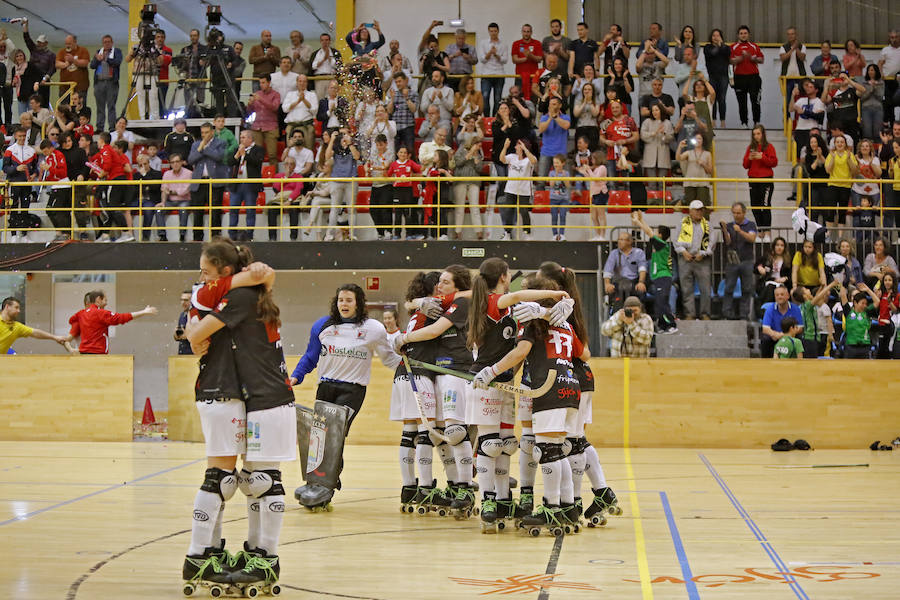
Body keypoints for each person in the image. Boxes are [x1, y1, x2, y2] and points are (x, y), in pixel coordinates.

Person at [182, 241, 293, 592]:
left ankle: (260, 557)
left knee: (257, 481)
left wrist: (192, 329)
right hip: (251, 395)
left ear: (226, 272)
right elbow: (196, 325)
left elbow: (196, 332)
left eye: (206, 272)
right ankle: (214, 555)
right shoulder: (247, 293)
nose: (201, 279)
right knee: (237, 479)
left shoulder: (240, 298)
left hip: (264, 396)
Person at [465, 257, 568, 529]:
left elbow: (533, 310)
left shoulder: (511, 308)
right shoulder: (493, 301)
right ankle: (487, 499)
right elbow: (521, 294)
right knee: (489, 443)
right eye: (509, 274)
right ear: (502, 277)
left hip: (506, 381)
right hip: (486, 378)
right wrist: (554, 293)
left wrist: (552, 307)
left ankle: (503, 499)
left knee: (507, 443)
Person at [290, 284, 401, 503]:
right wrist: (296, 375)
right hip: (326, 387)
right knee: (318, 437)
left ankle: (326, 484)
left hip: (352, 389)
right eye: (341, 300)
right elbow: (311, 356)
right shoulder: (322, 326)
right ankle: (316, 481)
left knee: (334, 435)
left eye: (349, 300)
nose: (344, 304)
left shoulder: (373, 328)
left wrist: (409, 365)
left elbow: (389, 358)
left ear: (359, 302)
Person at [394, 266, 478, 514]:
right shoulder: (437, 304)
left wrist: (402, 338)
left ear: (457, 285)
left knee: (450, 431)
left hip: (452, 371)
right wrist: (417, 302)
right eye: (438, 282)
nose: (440, 286)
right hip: (429, 372)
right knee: (431, 433)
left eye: (445, 282)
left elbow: (433, 330)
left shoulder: (459, 303)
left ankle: (461, 486)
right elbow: (411, 304)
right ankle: (435, 487)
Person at [67, 289, 156, 354]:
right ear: (98, 299)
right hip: (97, 354)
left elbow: (67, 336)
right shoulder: (100, 313)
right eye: (105, 300)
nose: (106, 303)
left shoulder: (80, 314)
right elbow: (121, 318)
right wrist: (143, 312)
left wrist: (70, 349)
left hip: (82, 353)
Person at [633, 212, 677, 333]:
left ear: (660, 235)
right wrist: (642, 220)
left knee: (662, 302)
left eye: (657, 232)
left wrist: (637, 222)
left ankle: (672, 324)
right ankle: (663, 326)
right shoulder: (660, 245)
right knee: (659, 302)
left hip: (663, 277)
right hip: (659, 278)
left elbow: (648, 232)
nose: (655, 233)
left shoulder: (662, 244)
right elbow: (649, 231)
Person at [188, 122, 229, 242]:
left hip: (214, 182)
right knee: (197, 212)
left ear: (212, 132)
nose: (204, 135)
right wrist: (200, 148)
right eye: (202, 133)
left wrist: (204, 148)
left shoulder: (220, 143)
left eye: (206, 132)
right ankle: (197, 239)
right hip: (199, 182)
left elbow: (219, 157)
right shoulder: (196, 144)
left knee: (215, 212)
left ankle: (216, 239)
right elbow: (191, 160)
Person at [675, 200, 714, 320]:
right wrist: (683, 251)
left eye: (701, 209)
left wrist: (703, 253)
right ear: (690, 211)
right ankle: (689, 313)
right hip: (685, 258)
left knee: (705, 289)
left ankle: (705, 313)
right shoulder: (682, 223)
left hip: (702, 260)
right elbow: (675, 240)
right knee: (686, 289)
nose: (699, 212)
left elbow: (712, 242)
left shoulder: (708, 225)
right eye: (697, 210)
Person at [719, 202, 758, 320]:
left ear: (744, 213)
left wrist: (740, 231)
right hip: (732, 261)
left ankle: (744, 314)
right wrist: (725, 230)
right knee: (729, 287)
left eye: (738, 213)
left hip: (747, 260)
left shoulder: (750, 224)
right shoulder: (730, 225)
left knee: (747, 288)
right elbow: (728, 242)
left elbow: (752, 238)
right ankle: (727, 313)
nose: (736, 215)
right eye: (734, 213)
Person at [323, 131, 360, 241]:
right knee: (334, 208)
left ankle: (352, 234)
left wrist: (350, 144)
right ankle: (330, 234)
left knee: (351, 209)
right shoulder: (335, 146)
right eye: (342, 135)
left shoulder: (354, 145)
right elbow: (327, 156)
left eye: (346, 134)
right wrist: (332, 140)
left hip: (351, 179)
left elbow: (357, 157)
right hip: (336, 180)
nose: (344, 137)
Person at [228, 130, 264, 241]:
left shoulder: (258, 149)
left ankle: (249, 234)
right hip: (237, 184)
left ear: (250, 139)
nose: (241, 140)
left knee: (250, 210)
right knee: (233, 209)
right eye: (241, 137)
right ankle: (232, 234)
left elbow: (257, 161)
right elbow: (230, 162)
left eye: (243, 137)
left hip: (250, 184)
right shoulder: (237, 149)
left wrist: (245, 155)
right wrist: (237, 155)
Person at [0, 297, 69, 354]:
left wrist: (55, 337)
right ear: (7, 307)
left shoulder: (17, 327)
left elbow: (35, 333)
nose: (19, 311)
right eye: (16, 307)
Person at [3, 127, 37, 243]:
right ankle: (13, 234)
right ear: (15, 136)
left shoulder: (31, 151)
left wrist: (34, 175)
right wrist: (16, 168)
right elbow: (5, 168)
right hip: (14, 184)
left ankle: (24, 234)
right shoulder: (10, 150)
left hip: (27, 184)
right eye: (20, 136)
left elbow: (35, 168)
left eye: (24, 136)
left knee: (25, 208)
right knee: (13, 208)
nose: (22, 138)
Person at [499, 137, 536, 241]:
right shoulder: (512, 157)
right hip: (511, 189)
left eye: (517, 145)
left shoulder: (528, 159)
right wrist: (505, 147)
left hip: (524, 190)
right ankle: (507, 233)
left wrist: (525, 149)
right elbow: (502, 159)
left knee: (524, 211)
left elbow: (533, 161)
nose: (515, 147)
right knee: (508, 210)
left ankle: (527, 233)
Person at [743, 125, 778, 235]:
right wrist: (749, 158)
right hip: (753, 179)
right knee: (755, 206)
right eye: (754, 134)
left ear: (763, 134)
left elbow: (774, 162)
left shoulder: (769, 147)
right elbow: (745, 165)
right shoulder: (750, 147)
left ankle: (767, 231)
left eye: (758, 133)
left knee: (765, 205)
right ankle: (760, 229)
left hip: (766, 180)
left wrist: (762, 157)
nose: (756, 136)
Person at [792, 281, 840, 358]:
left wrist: (821, 287)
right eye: (806, 289)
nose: (808, 289)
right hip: (810, 338)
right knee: (811, 360)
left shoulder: (806, 304)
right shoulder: (808, 305)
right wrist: (831, 285)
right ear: (804, 296)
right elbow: (818, 297)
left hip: (810, 338)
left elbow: (817, 296)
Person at [451, 130, 484, 240]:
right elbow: (458, 163)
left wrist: (476, 159)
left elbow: (479, 169)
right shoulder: (461, 151)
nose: (478, 148)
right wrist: (469, 154)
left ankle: (479, 232)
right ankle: (458, 232)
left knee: (475, 207)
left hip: (474, 182)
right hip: (460, 181)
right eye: (478, 145)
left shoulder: (478, 155)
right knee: (459, 207)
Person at [730, 25, 764, 129]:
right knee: (742, 102)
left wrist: (751, 58)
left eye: (745, 33)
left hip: (753, 77)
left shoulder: (754, 46)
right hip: (739, 77)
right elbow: (730, 61)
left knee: (755, 100)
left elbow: (761, 59)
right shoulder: (733, 47)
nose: (743, 35)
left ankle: (756, 122)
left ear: (748, 34)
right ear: (738, 35)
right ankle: (744, 123)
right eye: (741, 33)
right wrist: (741, 58)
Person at [824, 135, 858, 231]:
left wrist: (848, 159)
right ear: (835, 144)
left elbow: (855, 170)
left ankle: (840, 237)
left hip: (845, 186)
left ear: (845, 144)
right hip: (833, 185)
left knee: (842, 212)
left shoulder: (849, 154)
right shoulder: (831, 154)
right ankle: (828, 235)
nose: (840, 144)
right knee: (830, 211)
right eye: (838, 142)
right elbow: (828, 170)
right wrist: (833, 158)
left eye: (842, 142)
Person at [156, 153, 192, 242]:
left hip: (185, 200)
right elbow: (164, 190)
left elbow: (184, 191)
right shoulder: (167, 174)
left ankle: (182, 235)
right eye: (172, 162)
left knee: (183, 209)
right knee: (159, 209)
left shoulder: (189, 173)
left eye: (177, 161)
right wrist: (163, 202)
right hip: (170, 201)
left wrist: (171, 192)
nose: (175, 164)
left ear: (181, 162)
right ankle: (162, 235)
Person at [89, 35, 122, 132]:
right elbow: (92, 66)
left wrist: (106, 59)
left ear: (112, 43)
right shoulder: (99, 52)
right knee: (100, 106)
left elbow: (117, 62)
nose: (107, 44)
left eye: (108, 42)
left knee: (111, 106)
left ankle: (112, 127)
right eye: (105, 42)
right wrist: (97, 59)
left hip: (111, 82)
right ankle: (100, 127)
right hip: (99, 82)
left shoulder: (117, 51)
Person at [246, 74, 280, 167]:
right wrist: (249, 104)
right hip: (257, 127)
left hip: (271, 127)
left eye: (263, 82)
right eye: (260, 83)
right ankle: (257, 178)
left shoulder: (275, 94)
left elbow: (274, 107)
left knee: (272, 154)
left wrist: (261, 99)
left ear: (269, 83)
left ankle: (274, 179)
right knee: (256, 155)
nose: (261, 85)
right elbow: (249, 112)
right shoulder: (257, 93)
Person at [760, 285, 804, 358]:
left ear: (788, 296)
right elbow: (765, 328)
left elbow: (800, 328)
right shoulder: (770, 309)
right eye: (777, 295)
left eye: (782, 294)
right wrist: (775, 334)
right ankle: (765, 362)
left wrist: (786, 335)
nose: (779, 297)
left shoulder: (795, 309)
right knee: (765, 339)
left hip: (791, 336)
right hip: (775, 336)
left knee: (800, 338)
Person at [640, 102, 674, 190]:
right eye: (653, 110)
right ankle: (653, 202)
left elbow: (670, 138)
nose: (654, 112)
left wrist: (664, 133)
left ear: (661, 111)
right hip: (650, 156)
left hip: (663, 156)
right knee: (651, 184)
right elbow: (643, 135)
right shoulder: (647, 122)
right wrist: (654, 133)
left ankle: (662, 202)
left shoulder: (667, 123)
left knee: (661, 184)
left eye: (657, 110)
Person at [838, 283, 878, 358]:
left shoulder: (867, 312)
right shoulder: (848, 312)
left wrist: (868, 290)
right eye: (862, 303)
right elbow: (843, 296)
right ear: (855, 303)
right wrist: (843, 283)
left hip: (865, 346)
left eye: (866, 303)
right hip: (851, 346)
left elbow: (877, 302)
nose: (865, 305)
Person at [478, 23, 508, 117]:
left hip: (499, 74)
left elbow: (505, 60)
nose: (493, 33)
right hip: (486, 74)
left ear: (498, 31)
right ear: (488, 31)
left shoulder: (503, 44)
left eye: (495, 31)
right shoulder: (483, 43)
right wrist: (490, 53)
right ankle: (486, 118)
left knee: (497, 99)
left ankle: (495, 118)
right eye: (491, 31)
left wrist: (496, 55)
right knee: (485, 97)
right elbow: (482, 59)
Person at [678, 133, 713, 208]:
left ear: (703, 141)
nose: (698, 140)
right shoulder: (688, 153)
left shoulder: (707, 154)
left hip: (703, 183)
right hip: (690, 183)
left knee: (703, 207)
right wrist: (680, 147)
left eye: (700, 138)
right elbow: (678, 158)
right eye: (696, 138)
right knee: (690, 207)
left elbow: (710, 171)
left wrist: (703, 164)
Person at [281, 74, 317, 149]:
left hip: (306, 125)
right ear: (297, 83)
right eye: (300, 81)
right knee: (290, 149)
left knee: (308, 148)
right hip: (292, 125)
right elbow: (285, 109)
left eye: (304, 81)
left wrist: (304, 100)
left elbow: (314, 110)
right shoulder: (290, 94)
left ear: (307, 83)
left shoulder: (312, 95)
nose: (302, 83)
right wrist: (298, 101)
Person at [703, 29, 730, 128]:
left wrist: (721, 45)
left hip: (723, 76)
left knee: (722, 99)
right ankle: (713, 120)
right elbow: (712, 54)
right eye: (714, 35)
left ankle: (723, 121)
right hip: (712, 76)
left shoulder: (726, 48)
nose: (716, 37)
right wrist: (718, 46)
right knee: (712, 98)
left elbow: (727, 54)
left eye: (718, 35)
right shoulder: (707, 47)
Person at [511, 24, 543, 101]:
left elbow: (540, 59)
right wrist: (527, 58)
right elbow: (514, 60)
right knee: (519, 98)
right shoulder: (516, 44)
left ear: (531, 32)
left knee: (534, 98)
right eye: (524, 31)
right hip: (520, 77)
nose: (526, 33)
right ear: (521, 32)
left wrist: (530, 56)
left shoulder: (537, 43)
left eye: (528, 31)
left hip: (534, 77)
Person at [779, 27, 807, 110]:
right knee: (787, 101)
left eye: (792, 34)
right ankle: (786, 119)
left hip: (800, 78)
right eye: (789, 34)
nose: (790, 36)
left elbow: (802, 57)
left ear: (796, 35)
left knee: (801, 100)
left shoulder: (802, 47)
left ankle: (798, 119)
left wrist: (797, 48)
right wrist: (792, 49)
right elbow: (783, 58)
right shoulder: (783, 47)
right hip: (787, 78)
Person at [877, 29, 900, 125]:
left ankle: (893, 123)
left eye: (896, 37)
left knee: (894, 102)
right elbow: (880, 63)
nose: (893, 39)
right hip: (887, 80)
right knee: (887, 102)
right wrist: (881, 73)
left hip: (897, 81)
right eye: (892, 37)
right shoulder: (885, 50)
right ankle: (889, 122)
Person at [311, 33, 342, 98]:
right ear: (320, 41)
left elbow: (338, 66)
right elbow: (313, 67)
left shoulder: (335, 52)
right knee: (320, 98)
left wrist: (329, 58)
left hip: (331, 78)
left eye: (326, 40)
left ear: (330, 41)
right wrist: (323, 59)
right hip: (319, 79)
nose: (325, 42)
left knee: (332, 97)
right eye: (322, 40)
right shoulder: (316, 53)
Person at [547, 154, 570, 241]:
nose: (555, 164)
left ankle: (562, 234)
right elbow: (551, 185)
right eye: (554, 163)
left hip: (564, 199)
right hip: (553, 198)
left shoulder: (566, 173)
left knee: (563, 215)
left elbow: (568, 185)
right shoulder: (551, 173)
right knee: (554, 216)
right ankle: (555, 234)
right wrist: (556, 175)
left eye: (557, 162)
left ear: (563, 163)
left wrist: (564, 177)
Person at [859, 65, 885, 142]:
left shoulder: (881, 83)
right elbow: (862, 97)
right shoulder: (863, 83)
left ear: (876, 71)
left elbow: (881, 97)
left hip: (878, 109)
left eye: (873, 70)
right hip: (866, 109)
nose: (871, 72)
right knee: (867, 131)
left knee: (878, 131)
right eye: (869, 70)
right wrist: (870, 90)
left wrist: (875, 88)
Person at [174, 290, 192, 355]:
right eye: (181, 300)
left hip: (194, 354)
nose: (182, 302)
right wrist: (176, 336)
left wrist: (187, 336)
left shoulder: (197, 315)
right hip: (183, 353)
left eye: (186, 300)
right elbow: (179, 336)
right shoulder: (182, 315)